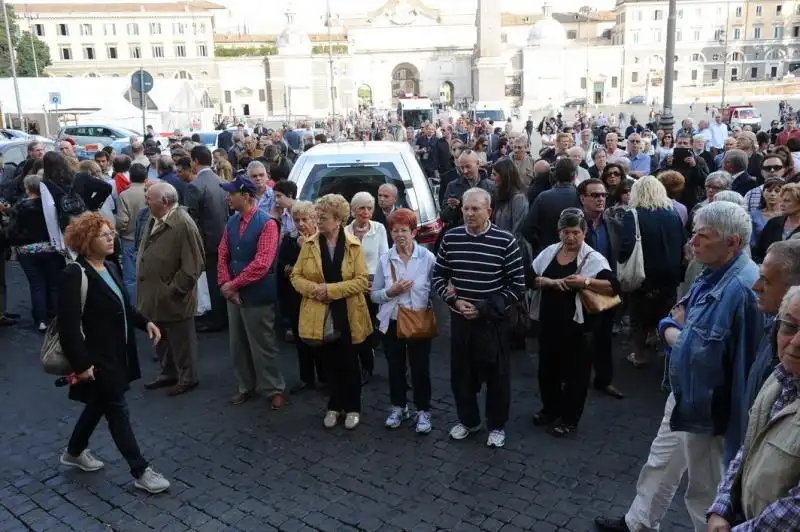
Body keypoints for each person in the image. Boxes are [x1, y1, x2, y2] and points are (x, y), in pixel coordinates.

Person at [595, 202, 761, 532]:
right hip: (688, 394)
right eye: (694, 232)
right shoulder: (712, 272)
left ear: (732, 243)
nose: (693, 241)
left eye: (703, 235)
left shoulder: (742, 289)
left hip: (711, 408)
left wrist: (669, 327)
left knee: (706, 491)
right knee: (661, 462)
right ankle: (638, 522)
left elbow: (702, 353)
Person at [56, 212, 169, 494]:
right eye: (103, 234)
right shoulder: (74, 274)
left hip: (118, 354)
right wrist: (82, 366)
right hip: (97, 359)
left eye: (111, 233)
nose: (111, 237)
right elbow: (68, 328)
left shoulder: (110, 266)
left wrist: (146, 322)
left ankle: (73, 451)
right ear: (85, 241)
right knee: (117, 409)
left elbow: (124, 307)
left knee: (98, 405)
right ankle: (140, 470)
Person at [432, 188, 525, 448]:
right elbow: (438, 276)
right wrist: (453, 300)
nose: (469, 213)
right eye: (465, 208)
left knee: (497, 377)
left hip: (493, 324)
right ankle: (469, 421)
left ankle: (496, 425)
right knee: (462, 376)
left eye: (475, 209)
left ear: (489, 211)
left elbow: (517, 286)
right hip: (461, 320)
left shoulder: (506, 241)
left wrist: (484, 308)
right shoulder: (450, 238)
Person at [706, 285, 800, 532]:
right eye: (790, 327)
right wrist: (720, 508)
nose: (797, 342)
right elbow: (748, 448)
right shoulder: (779, 377)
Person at [530, 208, 621, 436]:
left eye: (575, 233)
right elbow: (529, 277)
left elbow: (613, 286)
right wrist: (547, 281)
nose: (570, 238)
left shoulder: (593, 258)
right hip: (549, 321)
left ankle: (569, 419)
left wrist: (585, 281)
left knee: (576, 374)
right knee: (547, 369)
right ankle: (550, 409)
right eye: (565, 232)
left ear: (584, 232)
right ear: (558, 232)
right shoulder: (550, 251)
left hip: (578, 326)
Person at [291, 194, 373, 430]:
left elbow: (361, 281)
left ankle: (353, 407)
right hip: (319, 312)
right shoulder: (309, 244)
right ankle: (334, 406)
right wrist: (313, 290)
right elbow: (296, 277)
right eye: (317, 216)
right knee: (328, 364)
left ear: (338, 220)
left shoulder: (353, 245)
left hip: (347, 312)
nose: (318, 220)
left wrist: (330, 290)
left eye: (322, 217)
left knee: (349, 362)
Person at [217, 174, 286, 409]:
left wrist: (232, 285)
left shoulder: (267, 224)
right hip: (235, 294)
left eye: (231, 193)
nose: (228, 197)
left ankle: (273, 387)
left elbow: (262, 264)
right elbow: (223, 254)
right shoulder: (232, 222)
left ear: (245, 197)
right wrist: (226, 285)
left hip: (257, 294)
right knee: (238, 344)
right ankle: (245, 385)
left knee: (263, 345)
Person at [371, 208, 437, 434]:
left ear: (414, 232)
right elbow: (374, 294)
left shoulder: (427, 258)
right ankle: (399, 407)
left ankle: (423, 410)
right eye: (395, 231)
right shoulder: (385, 259)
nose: (399, 235)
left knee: (421, 369)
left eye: (404, 230)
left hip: (418, 320)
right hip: (391, 321)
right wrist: (392, 291)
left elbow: (436, 290)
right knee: (395, 368)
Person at [138, 183, 205, 397]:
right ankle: (169, 373)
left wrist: (173, 290)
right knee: (162, 339)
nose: (146, 202)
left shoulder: (183, 224)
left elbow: (193, 265)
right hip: (155, 296)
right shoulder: (155, 218)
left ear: (164, 202)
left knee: (182, 341)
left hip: (173, 298)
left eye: (150, 198)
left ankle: (188, 378)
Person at [619, 177, 686, 368]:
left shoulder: (633, 215)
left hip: (644, 275)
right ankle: (665, 352)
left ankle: (640, 354)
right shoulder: (673, 213)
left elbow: (627, 246)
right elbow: (683, 242)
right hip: (670, 274)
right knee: (666, 314)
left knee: (639, 317)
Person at [578, 178, 625, 398]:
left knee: (605, 338)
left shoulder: (613, 224)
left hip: (605, 290)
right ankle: (576, 380)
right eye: (595, 195)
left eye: (603, 195)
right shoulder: (574, 225)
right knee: (578, 338)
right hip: (578, 290)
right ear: (582, 198)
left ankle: (604, 380)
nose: (600, 199)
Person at [6, 174, 66, 331]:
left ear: (26, 188)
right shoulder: (49, 205)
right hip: (49, 247)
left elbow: (12, 230)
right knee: (53, 284)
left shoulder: (20, 206)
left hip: (27, 250)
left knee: (37, 285)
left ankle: (41, 320)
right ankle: (57, 317)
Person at [279, 201, 326, 393]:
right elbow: (283, 266)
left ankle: (325, 377)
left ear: (314, 219)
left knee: (322, 339)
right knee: (301, 339)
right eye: (297, 220)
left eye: (305, 219)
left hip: (318, 296)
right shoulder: (290, 240)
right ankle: (306, 378)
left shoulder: (323, 240)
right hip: (296, 297)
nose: (301, 224)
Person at [186, 145, 230, 333]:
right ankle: (223, 315)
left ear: (194, 161)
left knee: (213, 280)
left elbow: (192, 220)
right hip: (225, 237)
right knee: (222, 277)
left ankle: (217, 319)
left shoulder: (195, 186)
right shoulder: (221, 181)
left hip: (206, 242)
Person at [346, 192, 388, 383]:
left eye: (370, 208)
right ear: (353, 210)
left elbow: (384, 258)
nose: (366, 212)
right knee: (356, 326)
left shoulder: (379, 228)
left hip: (373, 281)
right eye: (362, 208)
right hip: (353, 283)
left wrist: (376, 284)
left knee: (371, 325)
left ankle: (368, 365)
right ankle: (362, 366)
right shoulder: (345, 231)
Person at [522, 158, 581, 255]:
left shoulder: (543, 197)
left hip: (548, 252)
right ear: (574, 176)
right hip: (575, 253)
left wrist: (539, 246)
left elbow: (527, 229)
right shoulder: (582, 197)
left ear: (554, 175)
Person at [115, 163, 148, 305]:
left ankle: (134, 307)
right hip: (148, 237)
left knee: (130, 277)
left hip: (129, 239)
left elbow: (122, 220)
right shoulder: (150, 191)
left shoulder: (125, 194)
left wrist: (120, 230)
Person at [440, 150, 495, 230]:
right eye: (462, 168)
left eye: (468, 167)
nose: (465, 171)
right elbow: (444, 217)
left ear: (478, 163)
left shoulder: (491, 187)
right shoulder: (452, 186)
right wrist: (453, 208)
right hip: (461, 236)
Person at [753, 182, 800, 262]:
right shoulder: (774, 223)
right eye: (782, 200)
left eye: (787, 201)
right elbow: (758, 253)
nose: (782, 204)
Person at [490, 158, 528, 235]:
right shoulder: (499, 194)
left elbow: (518, 230)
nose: (491, 177)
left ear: (505, 176)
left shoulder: (518, 199)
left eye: (494, 174)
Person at [750, 177, 784, 250]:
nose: (772, 194)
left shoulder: (787, 215)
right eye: (769, 191)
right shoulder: (753, 216)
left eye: (777, 191)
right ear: (763, 193)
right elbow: (752, 242)